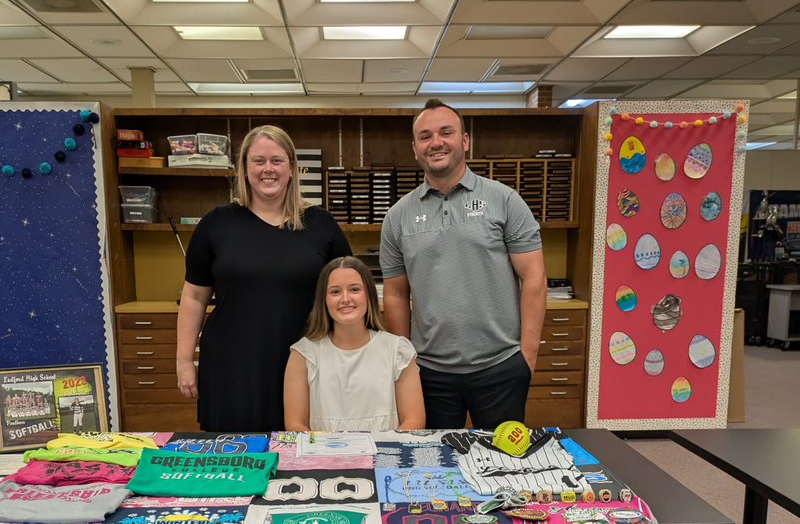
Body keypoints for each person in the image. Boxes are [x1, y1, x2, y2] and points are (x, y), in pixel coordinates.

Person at [379, 99, 547, 429]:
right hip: (429, 373)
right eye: (425, 136)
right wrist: (406, 363)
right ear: (415, 148)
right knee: (434, 470)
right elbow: (396, 295)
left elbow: (534, 278)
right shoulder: (397, 217)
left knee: (503, 469)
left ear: (465, 141)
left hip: (501, 365)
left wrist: (526, 356)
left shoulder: (504, 200)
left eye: (446, 132)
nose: (436, 142)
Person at [176, 125, 351, 431]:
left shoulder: (320, 224)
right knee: (234, 462)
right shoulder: (216, 224)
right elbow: (193, 297)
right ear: (244, 168)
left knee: (303, 455)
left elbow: (347, 294)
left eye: (276, 161)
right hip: (232, 368)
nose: (267, 169)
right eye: (258, 161)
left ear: (292, 169)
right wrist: (184, 361)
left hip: (304, 363)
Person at [283, 256, 425, 432]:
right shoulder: (303, 354)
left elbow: (414, 421)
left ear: (369, 295)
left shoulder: (398, 351)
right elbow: (295, 425)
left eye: (354, 289)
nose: (345, 299)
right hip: (323, 456)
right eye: (335, 292)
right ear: (323, 300)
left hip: (384, 455)